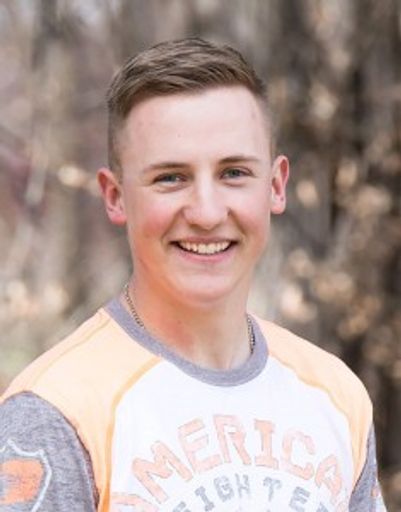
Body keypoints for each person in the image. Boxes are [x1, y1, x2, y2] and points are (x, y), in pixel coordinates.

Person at [0, 38, 386, 512]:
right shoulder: (58, 410)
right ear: (115, 197)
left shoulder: (336, 395)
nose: (206, 213)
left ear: (276, 185)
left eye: (234, 173)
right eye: (171, 178)